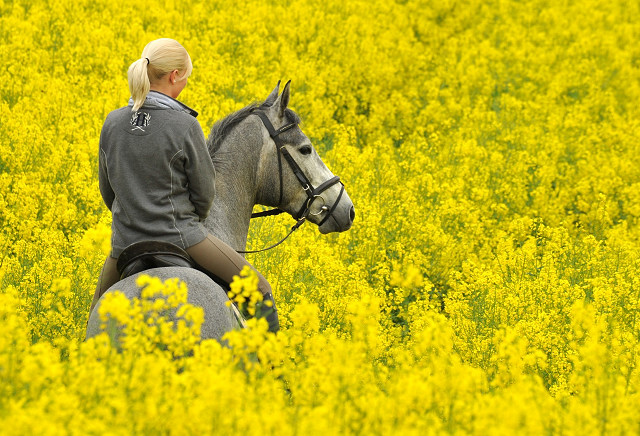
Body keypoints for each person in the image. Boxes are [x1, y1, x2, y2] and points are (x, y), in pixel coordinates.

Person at [90, 38, 279, 332]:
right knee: (260, 289)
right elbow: (205, 194)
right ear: (174, 76)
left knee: (95, 318)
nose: (186, 83)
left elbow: (107, 191)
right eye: (187, 77)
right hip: (183, 238)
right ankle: (270, 374)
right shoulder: (184, 125)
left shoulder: (112, 123)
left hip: (124, 245)